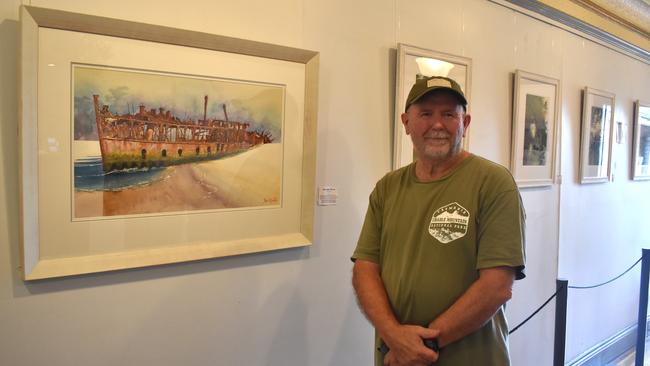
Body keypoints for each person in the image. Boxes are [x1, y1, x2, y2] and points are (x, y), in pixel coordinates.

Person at [351, 76, 526, 366]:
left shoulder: (493, 183)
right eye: (426, 114)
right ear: (406, 122)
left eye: (448, 114)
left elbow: (496, 287)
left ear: (465, 123)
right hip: (395, 356)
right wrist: (394, 336)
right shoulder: (388, 188)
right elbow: (365, 270)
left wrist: (422, 346)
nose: (437, 125)